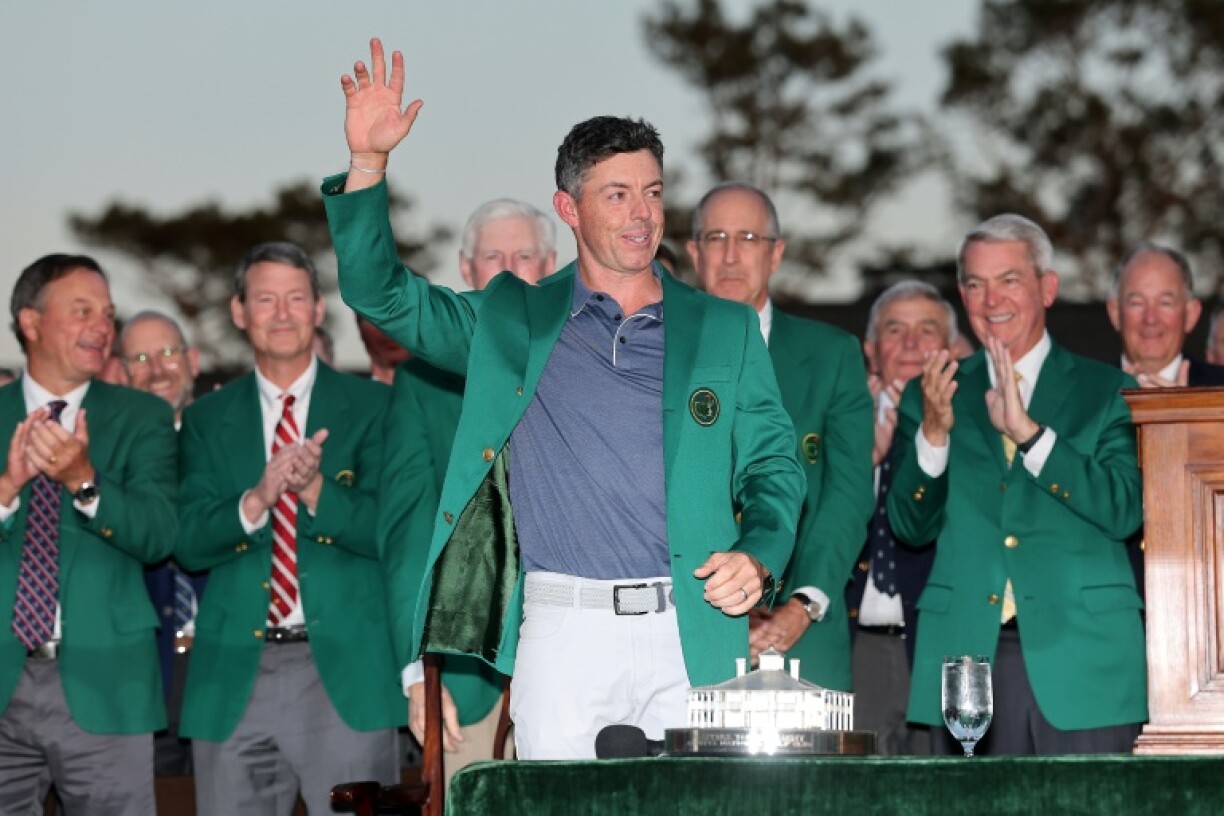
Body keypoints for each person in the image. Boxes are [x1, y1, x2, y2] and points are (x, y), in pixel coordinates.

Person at [324, 39, 803, 760]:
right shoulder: (509, 319)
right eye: (616, 194)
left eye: (651, 192)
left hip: (692, 630)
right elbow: (379, 294)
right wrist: (368, 165)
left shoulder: (725, 327)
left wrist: (759, 555)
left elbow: (775, 469)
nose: (642, 214)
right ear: (568, 208)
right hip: (563, 634)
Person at [889, 214, 1146, 755]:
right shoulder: (932, 393)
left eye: (1009, 280)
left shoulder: (1108, 390)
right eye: (976, 285)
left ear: (1047, 288)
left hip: (1084, 658)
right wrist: (934, 434)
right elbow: (910, 528)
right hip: (967, 661)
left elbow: (1125, 510)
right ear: (962, 295)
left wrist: (1030, 436)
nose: (991, 299)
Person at [176, 242, 402, 814]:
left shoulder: (375, 407)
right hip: (232, 676)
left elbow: (397, 534)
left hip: (346, 673)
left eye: (296, 298)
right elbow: (186, 541)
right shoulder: (205, 419)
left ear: (319, 309)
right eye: (266, 299)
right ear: (239, 312)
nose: (281, 313)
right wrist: (257, 499)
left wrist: (318, 491)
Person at [384, 197, 555, 784]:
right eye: (492, 256)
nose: (508, 271)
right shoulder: (420, 381)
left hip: (577, 662)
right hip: (462, 679)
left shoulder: (590, 360)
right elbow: (408, 535)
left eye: (524, 255)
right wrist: (416, 677)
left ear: (553, 264)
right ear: (465, 270)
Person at [0, 254, 176, 814]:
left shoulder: (141, 416)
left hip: (107, 680)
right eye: (83, 311)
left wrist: (83, 481)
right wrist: (8, 486)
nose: (103, 326)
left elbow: (158, 535)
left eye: (108, 313)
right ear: (31, 322)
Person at [686, 182, 873, 693]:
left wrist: (802, 604)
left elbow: (848, 495)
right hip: (684, 632)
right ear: (693, 252)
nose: (730, 255)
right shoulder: (655, 351)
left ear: (777, 253)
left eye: (748, 237)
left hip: (801, 639)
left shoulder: (832, 354)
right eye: (716, 237)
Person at [845, 280, 954, 755]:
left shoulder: (976, 422)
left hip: (936, 645)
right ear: (871, 350)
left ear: (949, 349)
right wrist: (861, 459)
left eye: (926, 330)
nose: (911, 344)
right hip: (855, 648)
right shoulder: (840, 419)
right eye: (895, 330)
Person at [117, 310, 208, 776]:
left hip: (223, 668)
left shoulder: (229, 441)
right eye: (140, 357)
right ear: (119, 371)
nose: (157, 369)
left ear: (192, 360)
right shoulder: (101, 453)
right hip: (139, 676)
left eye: (169, 353)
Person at [1107, 243, 1224, 387]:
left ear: (1191, 315)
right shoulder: (1084, 394)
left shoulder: (1219, 389)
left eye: (1165, 303)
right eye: (1136, 303)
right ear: (1115, 313)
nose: (1150, 319)